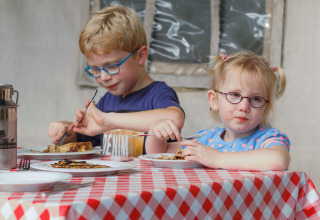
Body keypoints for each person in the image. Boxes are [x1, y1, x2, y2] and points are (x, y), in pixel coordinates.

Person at [48, 5, 185, 155]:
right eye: (95, 69)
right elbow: (87, 141)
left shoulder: (158, 94)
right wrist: (69, 133)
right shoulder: (107, 101)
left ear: (140, 56)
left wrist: (107, 120)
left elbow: (175, 117)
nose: (104, 77)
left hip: (153, 177)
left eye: (112, 66)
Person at [145, 51, 290, 171]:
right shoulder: (207, 140)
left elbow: (278, 159)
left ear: (266, 107)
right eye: (234, 95)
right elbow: (161, 153)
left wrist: (217, 158)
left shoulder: (267, 139)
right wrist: (155, 133)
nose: (244, 106)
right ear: (214, 100)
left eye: (256, 99)